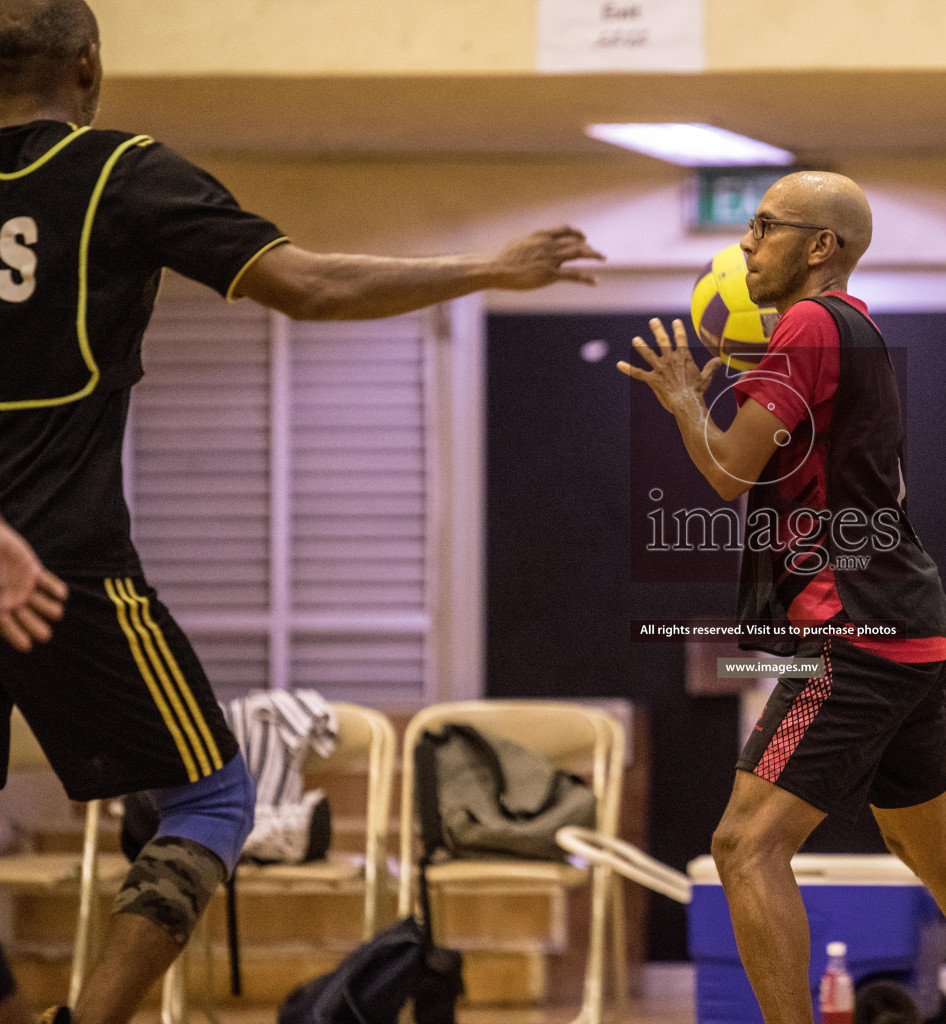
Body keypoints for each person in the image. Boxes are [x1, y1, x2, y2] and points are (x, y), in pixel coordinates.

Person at [0, 2, 603, 1022]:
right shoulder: (121, 171)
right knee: (211, 800)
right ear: (91, 68)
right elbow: (311, 286)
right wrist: (489, 269)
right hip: (63, 569)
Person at [617, 170, 946, 1024]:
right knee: (927, 843)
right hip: (910, 624)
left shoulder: (807, 323)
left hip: (856, 633)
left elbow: (727, 473)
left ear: (821, 247)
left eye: (764, 225)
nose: (746, 243)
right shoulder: (852, 329)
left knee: (744, 845)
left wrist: (687, 400)